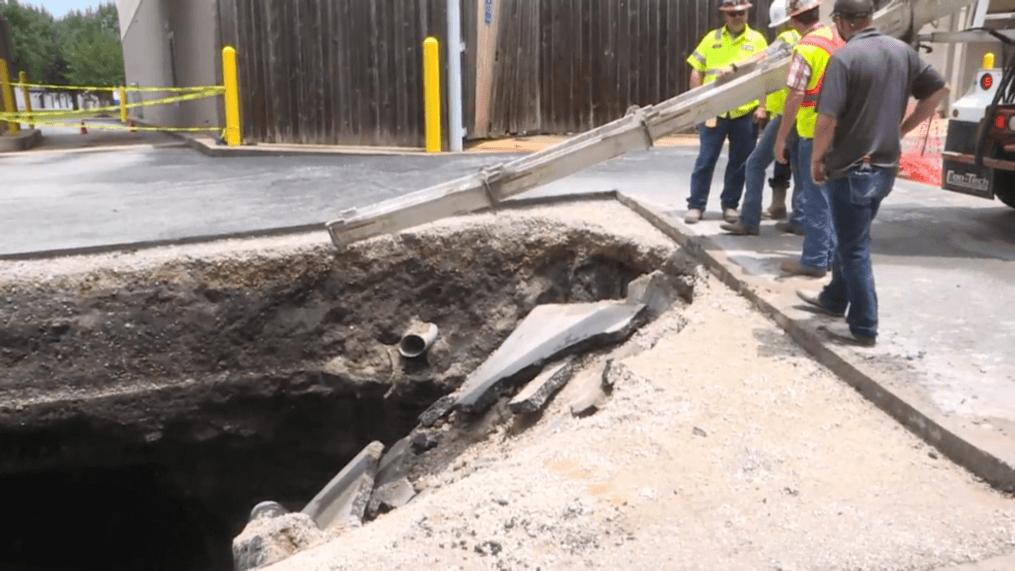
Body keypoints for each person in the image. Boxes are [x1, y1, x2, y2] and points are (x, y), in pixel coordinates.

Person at [796, 0, 949, 346]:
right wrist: (902, 129)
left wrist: (816, 160)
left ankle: (864, 326)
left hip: (852, 169)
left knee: (854, 248)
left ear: (841, 22)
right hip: (884, 168)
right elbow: (940, 90)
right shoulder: (902, 52)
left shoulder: (844, 59)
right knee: (851, 235)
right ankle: (835, 298)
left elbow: (827, 119)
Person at [772, 0, 843, 277]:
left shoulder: (805, 48)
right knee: (833, 198)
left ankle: (814, 261)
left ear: (793, 20)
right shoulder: (839, 37)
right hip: (842, 130)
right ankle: (829, 257)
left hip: (813, 131)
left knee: (815, 198)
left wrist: (780, 137)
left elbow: (796, 95)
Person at [720, 0, 802, 235]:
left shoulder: (787, 40)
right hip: (803, 114)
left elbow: (764, 54)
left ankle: (749, 219)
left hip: (788, 113)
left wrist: (735, 67)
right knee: (800, 168)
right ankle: (800, 219)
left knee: (755, 163)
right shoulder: (813, 39)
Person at [684, 0, 769, 226]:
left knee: (740, 162)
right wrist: (697, 103)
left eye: (740, 13)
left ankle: (730, 205)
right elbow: (696, 70)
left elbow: (764, 76)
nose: (736, 17)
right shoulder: (712, 39)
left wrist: (762, 106)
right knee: (705, 159)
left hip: (744, 111)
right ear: (725, 16)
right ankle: (696, 205)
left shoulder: (757, 40)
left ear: (747, 13)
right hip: (714, 110)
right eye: (732, 14)